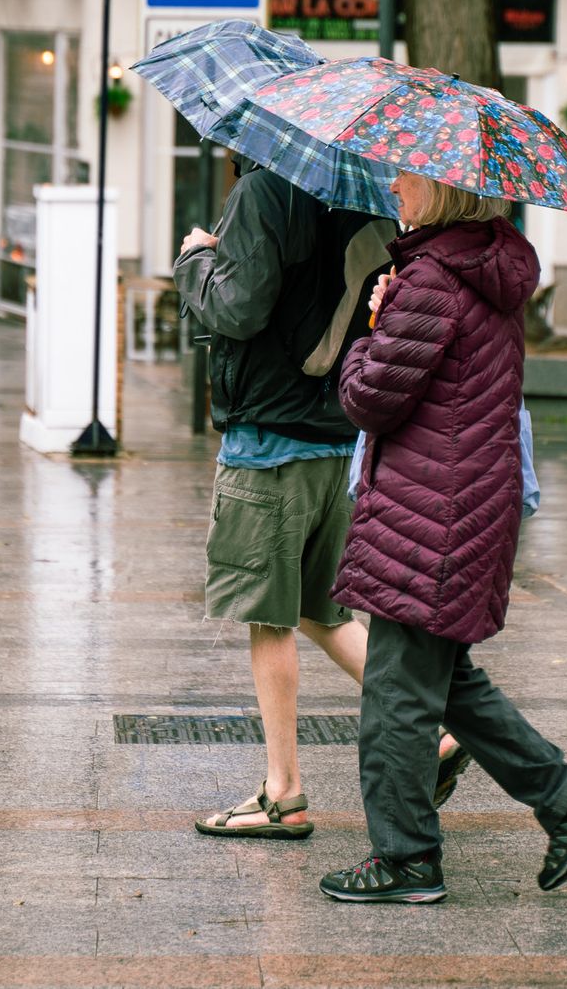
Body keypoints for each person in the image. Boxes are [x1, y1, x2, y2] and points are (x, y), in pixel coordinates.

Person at [320, 171, 567, 905]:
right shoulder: (489, 266)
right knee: (446, 678)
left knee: (396, 698)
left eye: (407, 177)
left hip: (432, 511)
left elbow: (369, 399)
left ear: (442, 191)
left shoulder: (428, 278)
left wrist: (370, 330)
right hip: (465, 503)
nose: (394, 186)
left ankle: (406, 858)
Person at [176, 160, 468, 839]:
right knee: (321, 609)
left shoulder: (265, 190)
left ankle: (283, 792)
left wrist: (195, 260)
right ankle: (440, 732)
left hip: (269, 439)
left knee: (269, 616)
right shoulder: (367, 195)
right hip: (338, 435)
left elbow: (239, 308)